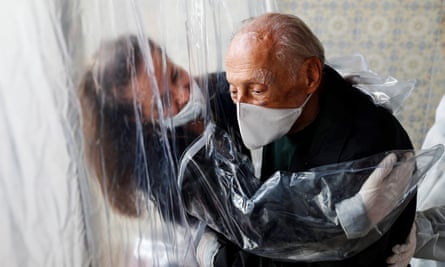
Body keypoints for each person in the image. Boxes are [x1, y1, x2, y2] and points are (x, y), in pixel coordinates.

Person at [77, 33, 440, 267]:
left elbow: (279, 84)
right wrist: (352, 217)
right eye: (161, 102)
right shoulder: (168, 170)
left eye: (174, 75)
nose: (184, 94)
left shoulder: (217, 92)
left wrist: (326, 88)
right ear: (140, 121)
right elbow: (259, 228)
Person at [208, 12, 417, 266]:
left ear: (310, 76)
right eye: (234, 90)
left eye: (256, 90)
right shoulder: (290, 104)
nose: (243, 106)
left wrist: (217, 257)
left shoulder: (365, 149)